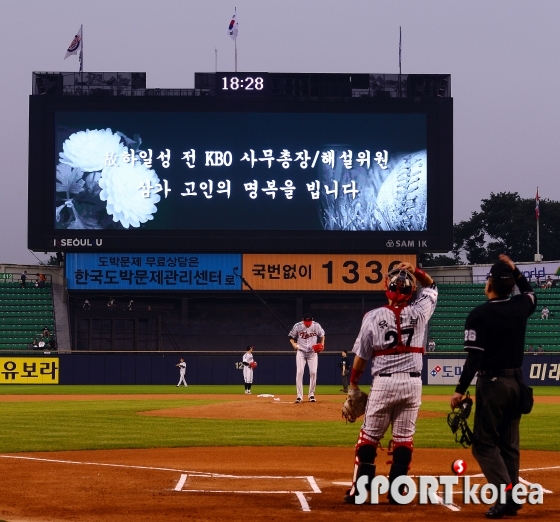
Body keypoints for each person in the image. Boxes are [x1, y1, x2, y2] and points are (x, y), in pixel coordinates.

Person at [450, 254, 536, 518]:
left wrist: (460, 389)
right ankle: (512, 498)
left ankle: (506, 494)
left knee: (484, 445)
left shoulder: (479, 314)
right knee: (509, 445)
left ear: (489, 284)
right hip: (516, 383)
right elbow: (530, 293)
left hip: (493, 384)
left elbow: (475, 356)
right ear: (511, 286)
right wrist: (515, 270)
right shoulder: (521, 306)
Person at [344, 262, 437, 504]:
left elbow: (362, 357)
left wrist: (353, 385)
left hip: (383, 384)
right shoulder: (421, 312)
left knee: (368, 439)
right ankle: (398, 492)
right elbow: (432, 285)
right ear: (410, 291)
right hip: (412, 384)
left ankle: (361, 492)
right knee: (404, 439)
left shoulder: (372, 316)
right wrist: (416, 271)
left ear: (387, 286)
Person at [288, 313, 325, 403]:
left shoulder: (316, 325)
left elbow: (322, 335)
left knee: (313, 372)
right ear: (303, 320)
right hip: (301, 351)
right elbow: (291, 337)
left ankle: (311, 394)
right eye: (306, 321)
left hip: (312, 352)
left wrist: (322, 344)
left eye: (309, 321)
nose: (307, 323)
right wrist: (293, 344)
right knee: (300, 372)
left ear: (312, 320)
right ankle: (299, 396)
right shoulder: (298, 326)